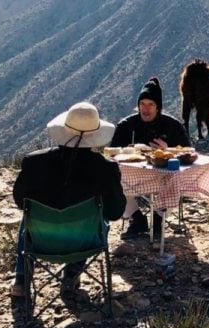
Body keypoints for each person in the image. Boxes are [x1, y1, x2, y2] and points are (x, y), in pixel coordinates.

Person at [11, 102, 126, 297]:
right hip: (85, 242)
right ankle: (71, 274)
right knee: (99, 218)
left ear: (64, 129)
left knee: (29, 215)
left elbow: (19, 200)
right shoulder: (105, 169)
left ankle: (22, 280)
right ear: (95, 136)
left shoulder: (33, 162)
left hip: (40, 241)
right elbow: (115, 212)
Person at [110, 76, 190, 239]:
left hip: (164, 176)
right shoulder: (126, 126)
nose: (145, 109)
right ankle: (137, 218)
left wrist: (169, 150)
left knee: (174, 180)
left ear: (158, 107)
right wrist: (128, 152)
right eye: (142, 104)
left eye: (150, 105)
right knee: (111, 178)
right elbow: (112, 153)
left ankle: (159, 219)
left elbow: (188, 152)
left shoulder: (173, 126)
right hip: (133, 177)